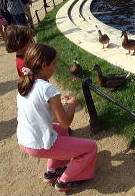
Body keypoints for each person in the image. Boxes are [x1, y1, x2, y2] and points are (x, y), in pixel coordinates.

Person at [17, 43, 97, 192]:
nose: (55, 67)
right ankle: (64, 181)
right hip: (38, 144)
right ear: (43, 65)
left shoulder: (25, 83)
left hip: (24, 140)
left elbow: (42, 112)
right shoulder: (47, 88)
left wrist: (57, 101)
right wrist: (72, 104)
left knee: (60, 131)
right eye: (54, 64)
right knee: (91, 147)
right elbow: (66, 122)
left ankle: (52, 171)